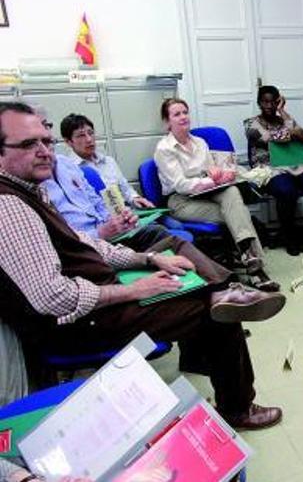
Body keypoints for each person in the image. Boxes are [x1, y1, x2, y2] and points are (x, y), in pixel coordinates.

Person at [0, 102, 286, 430]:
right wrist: (133, 289)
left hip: (99, 296)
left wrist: (148, 259)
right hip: (80, 325)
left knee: (172, 253)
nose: (43, 150)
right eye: (27, 144)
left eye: (45, 141)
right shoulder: (10, 205)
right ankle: (237, 407)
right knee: (211, 312)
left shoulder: (31, 192)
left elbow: (87, 245)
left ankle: (222, 296)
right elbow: (54, 298)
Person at [155, 98, 279, 291]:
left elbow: (208, 170)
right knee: (236, 214)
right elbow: (180, 185)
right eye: (176, 114)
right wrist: (211, 180)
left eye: (185, 112)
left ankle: (250, 260)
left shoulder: (200, 142)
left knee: (231, 190)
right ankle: (254, 268)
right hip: (181, 201)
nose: (183, 117)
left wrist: (219, 173)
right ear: (167, 122)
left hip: (208, 193)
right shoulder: (164, 149)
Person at [244, 85, 303, 255]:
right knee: (287, 191)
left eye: (273, 102)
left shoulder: (285, 119)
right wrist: (291, 133)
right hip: (269, 168)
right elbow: (268, 139)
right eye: (265, 102)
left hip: (295, 164)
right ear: (259, 103)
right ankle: (289, 237)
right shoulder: (251, 124)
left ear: (278, 101)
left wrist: (283, 112)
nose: (269, 105)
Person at [44, 154, 171, 250]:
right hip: (84, 246)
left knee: (161, 233)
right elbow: (59, 241)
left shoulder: (66, 163)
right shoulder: (33, 188)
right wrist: (100, 233)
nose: (89, 139)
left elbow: (97, 201)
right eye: (81, 135)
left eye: (48, 141)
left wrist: (117, 219)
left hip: (110, 230)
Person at [60, 113, 155, 209]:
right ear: (68, 142)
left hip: (127, 213)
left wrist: (135, 198)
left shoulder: (109, 161)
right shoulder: (69, 171)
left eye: (91, 133)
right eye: (81, 135)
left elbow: (125, 189)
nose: (89, 139)